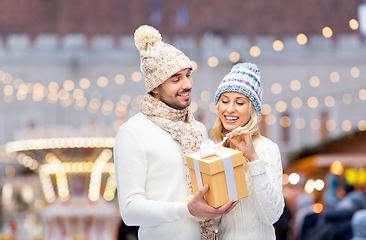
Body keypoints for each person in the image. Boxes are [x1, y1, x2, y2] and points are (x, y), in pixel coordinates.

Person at [114, 25, 236, 240]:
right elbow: (130, 211)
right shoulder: (132, 133)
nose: (187, 84)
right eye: (176, 79)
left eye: (188, 75)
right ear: (154, 87)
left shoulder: (196, 129)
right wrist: (187, 209)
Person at [210, 62, 285, 240]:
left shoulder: (266, 148)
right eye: (224, 100)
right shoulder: (216, 149)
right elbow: (216, 221)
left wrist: (252, 158)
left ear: (252, 108)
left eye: (240, 102)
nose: (229, 109)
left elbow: (272, 215)